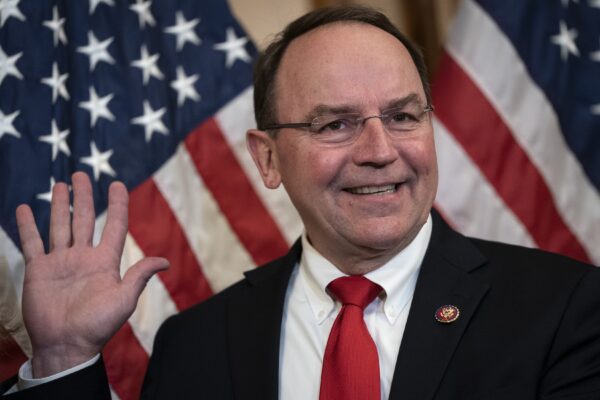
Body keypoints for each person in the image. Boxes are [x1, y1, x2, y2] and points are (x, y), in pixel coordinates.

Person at [3, 5, 600, 399]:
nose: (379, 150)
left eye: (402, 116)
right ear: (267, 158)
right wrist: (64, 358)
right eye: (336, 124)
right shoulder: (198, 345)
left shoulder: (563, 309)